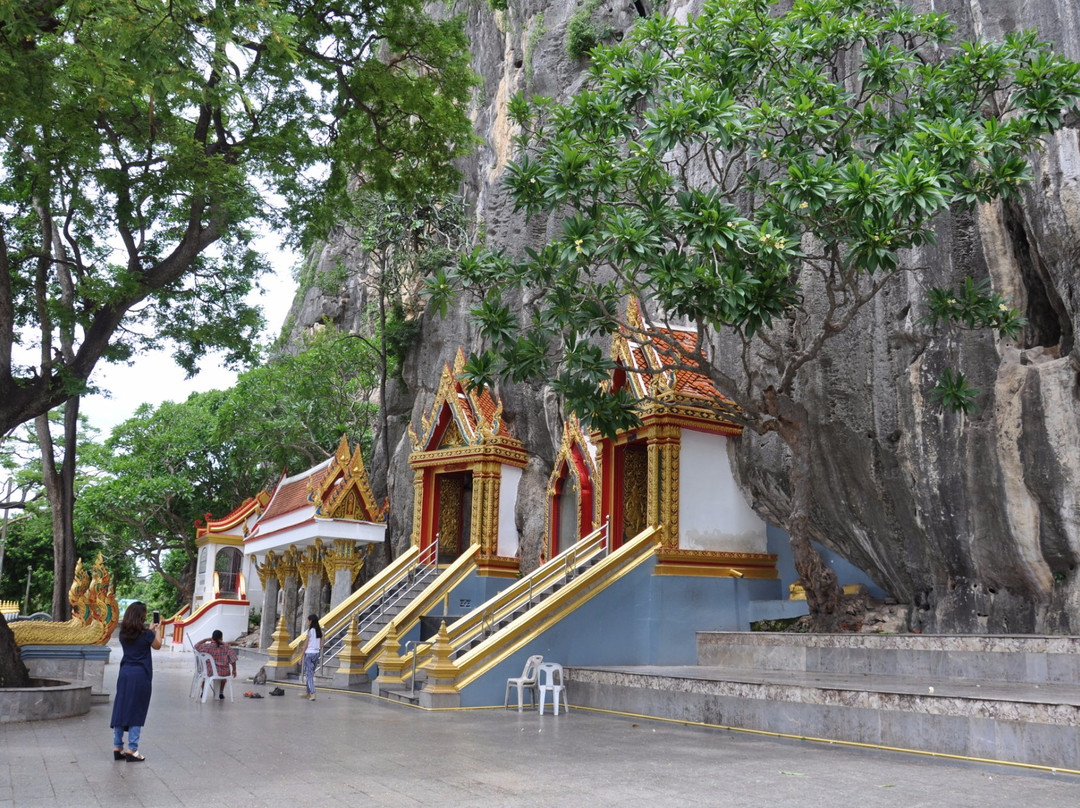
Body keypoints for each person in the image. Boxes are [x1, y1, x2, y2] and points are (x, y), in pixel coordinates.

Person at [110, 602, 163, 762]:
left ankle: (117, 746)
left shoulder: (123, 634)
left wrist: (149, 631)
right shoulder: (146, 635)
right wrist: (157, 629)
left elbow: (138, 639)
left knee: (121, 707)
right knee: (137, 709)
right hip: (140, 675)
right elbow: (158, 645)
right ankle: (132, 749)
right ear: (141, 616)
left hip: (125, 673)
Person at [194, 629, 237, 700]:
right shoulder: (227, 646)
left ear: (212, 638)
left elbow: (196, 646)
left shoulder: (207, 646)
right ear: (221, 638)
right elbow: (233, 659)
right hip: (224, 672)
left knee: (205, 677)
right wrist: (234, 670)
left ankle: (203, 691)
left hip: (210, 671)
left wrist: (205, 640)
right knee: (223, 678)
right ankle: (220, 692)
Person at [298, 613, 322, 701]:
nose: (308, 622)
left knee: (309, 675)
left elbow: (306, 644)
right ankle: (308, 692)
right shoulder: (319, 631)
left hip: (309, 654)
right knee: (310, 673)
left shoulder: (310, 630)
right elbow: (321, 644)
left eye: (308, 620)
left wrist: (301, 657)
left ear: (311, 621)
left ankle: (313, 693)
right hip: (316, 653)